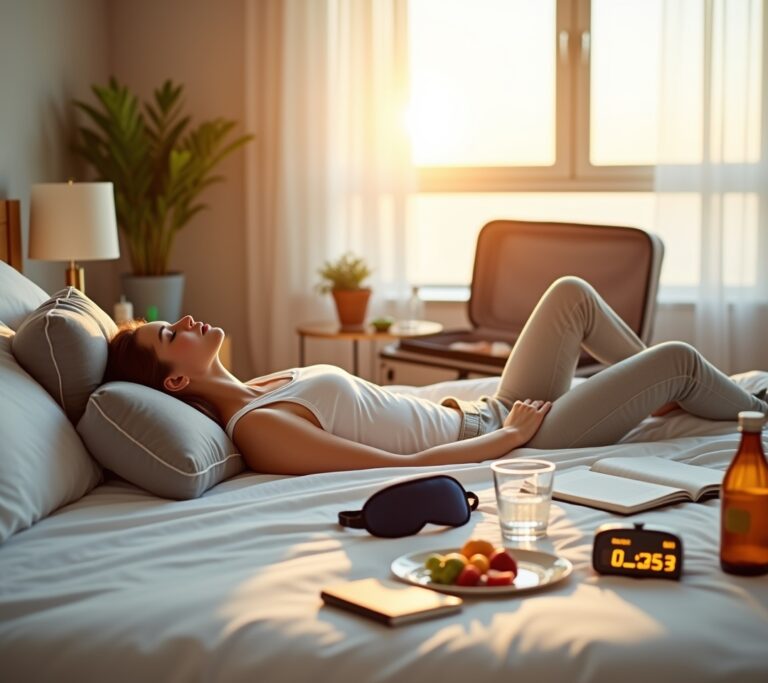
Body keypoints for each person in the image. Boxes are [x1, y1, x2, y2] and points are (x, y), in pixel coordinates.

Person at [105, 277, 767, 475]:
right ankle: (748, 415)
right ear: (174, 384)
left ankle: (654, 393)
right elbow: (393, 470)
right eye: (169, 335)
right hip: (522, 434)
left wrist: (487, 413)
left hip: (489, 409)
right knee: (677, 360)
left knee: (570, 294)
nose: (185, 319)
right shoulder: (264, 427)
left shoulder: (267, 383)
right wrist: (506, 438)